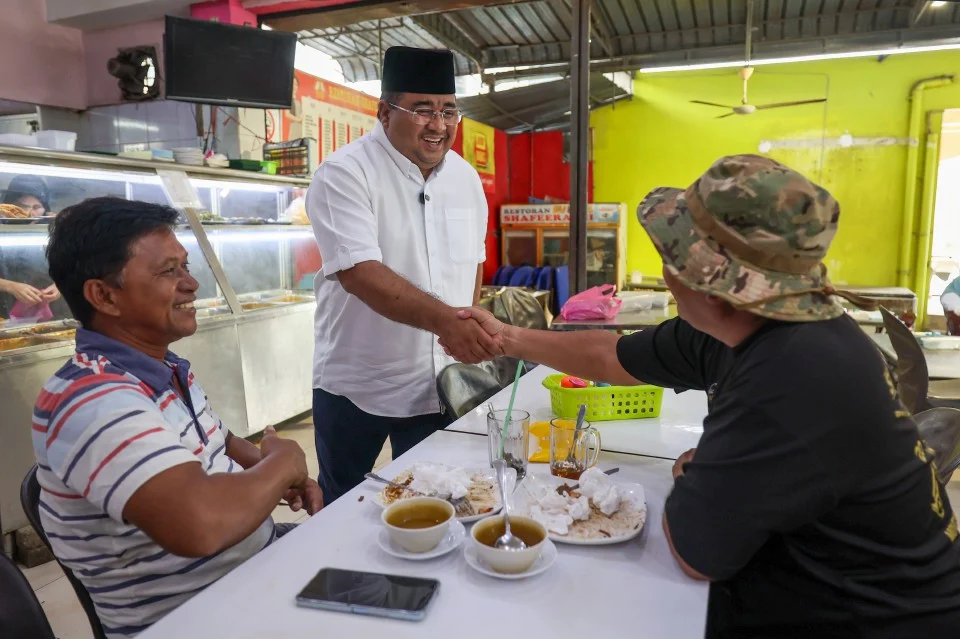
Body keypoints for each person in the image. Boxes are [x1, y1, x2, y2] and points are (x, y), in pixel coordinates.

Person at [450, 155, 960, 637]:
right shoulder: (743, 327)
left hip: (871, 620)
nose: (666, 274)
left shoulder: (792, 373)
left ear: (714, 287)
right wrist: (507, 338)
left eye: (674, 258)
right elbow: (611, 357)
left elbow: (696, 550)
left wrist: (696, 471)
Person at [33, 197, 323, 638]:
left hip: (254, 572)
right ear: (104, 296)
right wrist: (285, 462)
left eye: (185, 266)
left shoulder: (162, 368)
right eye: (169, 271)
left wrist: (266, 466)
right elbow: (199, 525)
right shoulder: (91, 402)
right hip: (198, 616)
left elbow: (217, 440)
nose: (191, 284)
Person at [306, 45, 492, 504]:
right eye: (422, 110)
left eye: (449, 111)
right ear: (385, 112)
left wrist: (466, 328)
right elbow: (360, 273)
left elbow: (474, 263)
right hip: (357, 387)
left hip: (441, 386)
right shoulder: (345, 173)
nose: (439, 125)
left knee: (438, 503)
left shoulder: (466, 179)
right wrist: (448, 323)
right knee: (343, 508)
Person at [0, 175, 60, 319]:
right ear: (9, 206)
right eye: (22, 206)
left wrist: (60, 286)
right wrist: (9, 286)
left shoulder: (51, 233)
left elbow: (71, 268)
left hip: (49, 312)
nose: (30, 213)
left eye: (37, 207)